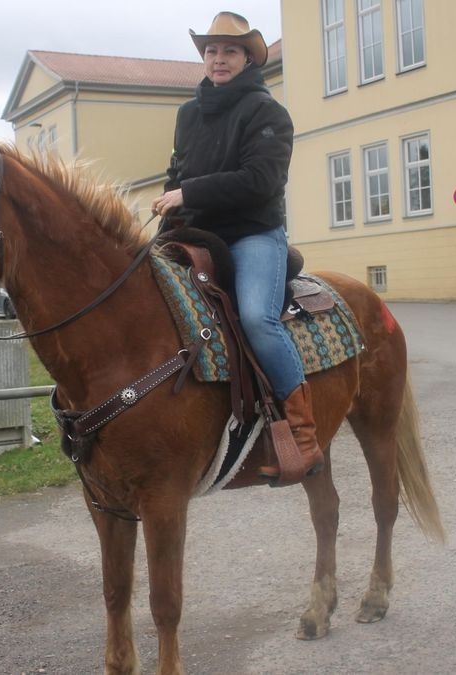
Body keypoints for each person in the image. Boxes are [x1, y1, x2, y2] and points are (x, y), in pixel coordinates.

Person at [150, 11, 322, 484]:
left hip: (252, 233)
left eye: (229, 50)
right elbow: (177, 173)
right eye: (211, 51)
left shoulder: (268, 113)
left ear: (247, 59)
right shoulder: (188, 114)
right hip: (196, 235)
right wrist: (169, 209)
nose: (218, 59)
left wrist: (189, 193)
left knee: (256, 319)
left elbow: (260, 181)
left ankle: (303, 436)